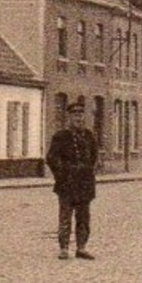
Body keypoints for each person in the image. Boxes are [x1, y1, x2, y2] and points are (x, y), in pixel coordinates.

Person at [46, 104, 100, 260]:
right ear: (69, 117)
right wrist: (62, 174)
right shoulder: (61, 136)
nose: (79, 118)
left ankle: (81, 247)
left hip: (84, 184)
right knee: (65, 217)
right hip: (67, 184)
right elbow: (51, 158)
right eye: (75, 116)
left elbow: (94, 157)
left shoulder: (89, 136)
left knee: (83, 217)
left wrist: (88, 171)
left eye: (81, 115)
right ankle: (64, 248)